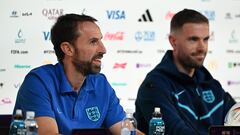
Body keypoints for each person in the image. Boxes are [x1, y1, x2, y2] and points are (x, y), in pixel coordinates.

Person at [12, 13, 144, 135]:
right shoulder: (38, 82)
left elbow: (126, 131)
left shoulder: (100, 84)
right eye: (93, 42)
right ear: (68, 49)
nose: (103, 49)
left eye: (100, 41)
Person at [134, 9, 236, 135]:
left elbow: (235, 118)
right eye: (193, 39)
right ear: (173, 41)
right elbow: (175, 132)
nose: (202, 47)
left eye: (205, 39)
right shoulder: (154, 86)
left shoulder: (211, 85)